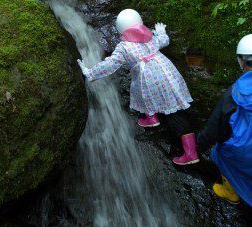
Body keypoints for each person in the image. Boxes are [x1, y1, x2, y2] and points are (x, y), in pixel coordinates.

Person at [77, 9, 198, 165]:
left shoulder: (124, 47)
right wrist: (161, 32)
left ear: (121, 29)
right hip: (169, 74)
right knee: (173, 105)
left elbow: (110, 64)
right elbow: (164, 40)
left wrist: (90, 73)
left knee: (152, 98)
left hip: (148, 79)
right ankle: (157, 120)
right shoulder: (151, 38)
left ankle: (188, 152)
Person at [196, 34, 252, 206]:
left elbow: (214, 128)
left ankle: (231, 190)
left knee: (219, 153)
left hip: (245, 154)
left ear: (241, 61)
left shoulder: (234, 94)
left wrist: (197, 147)